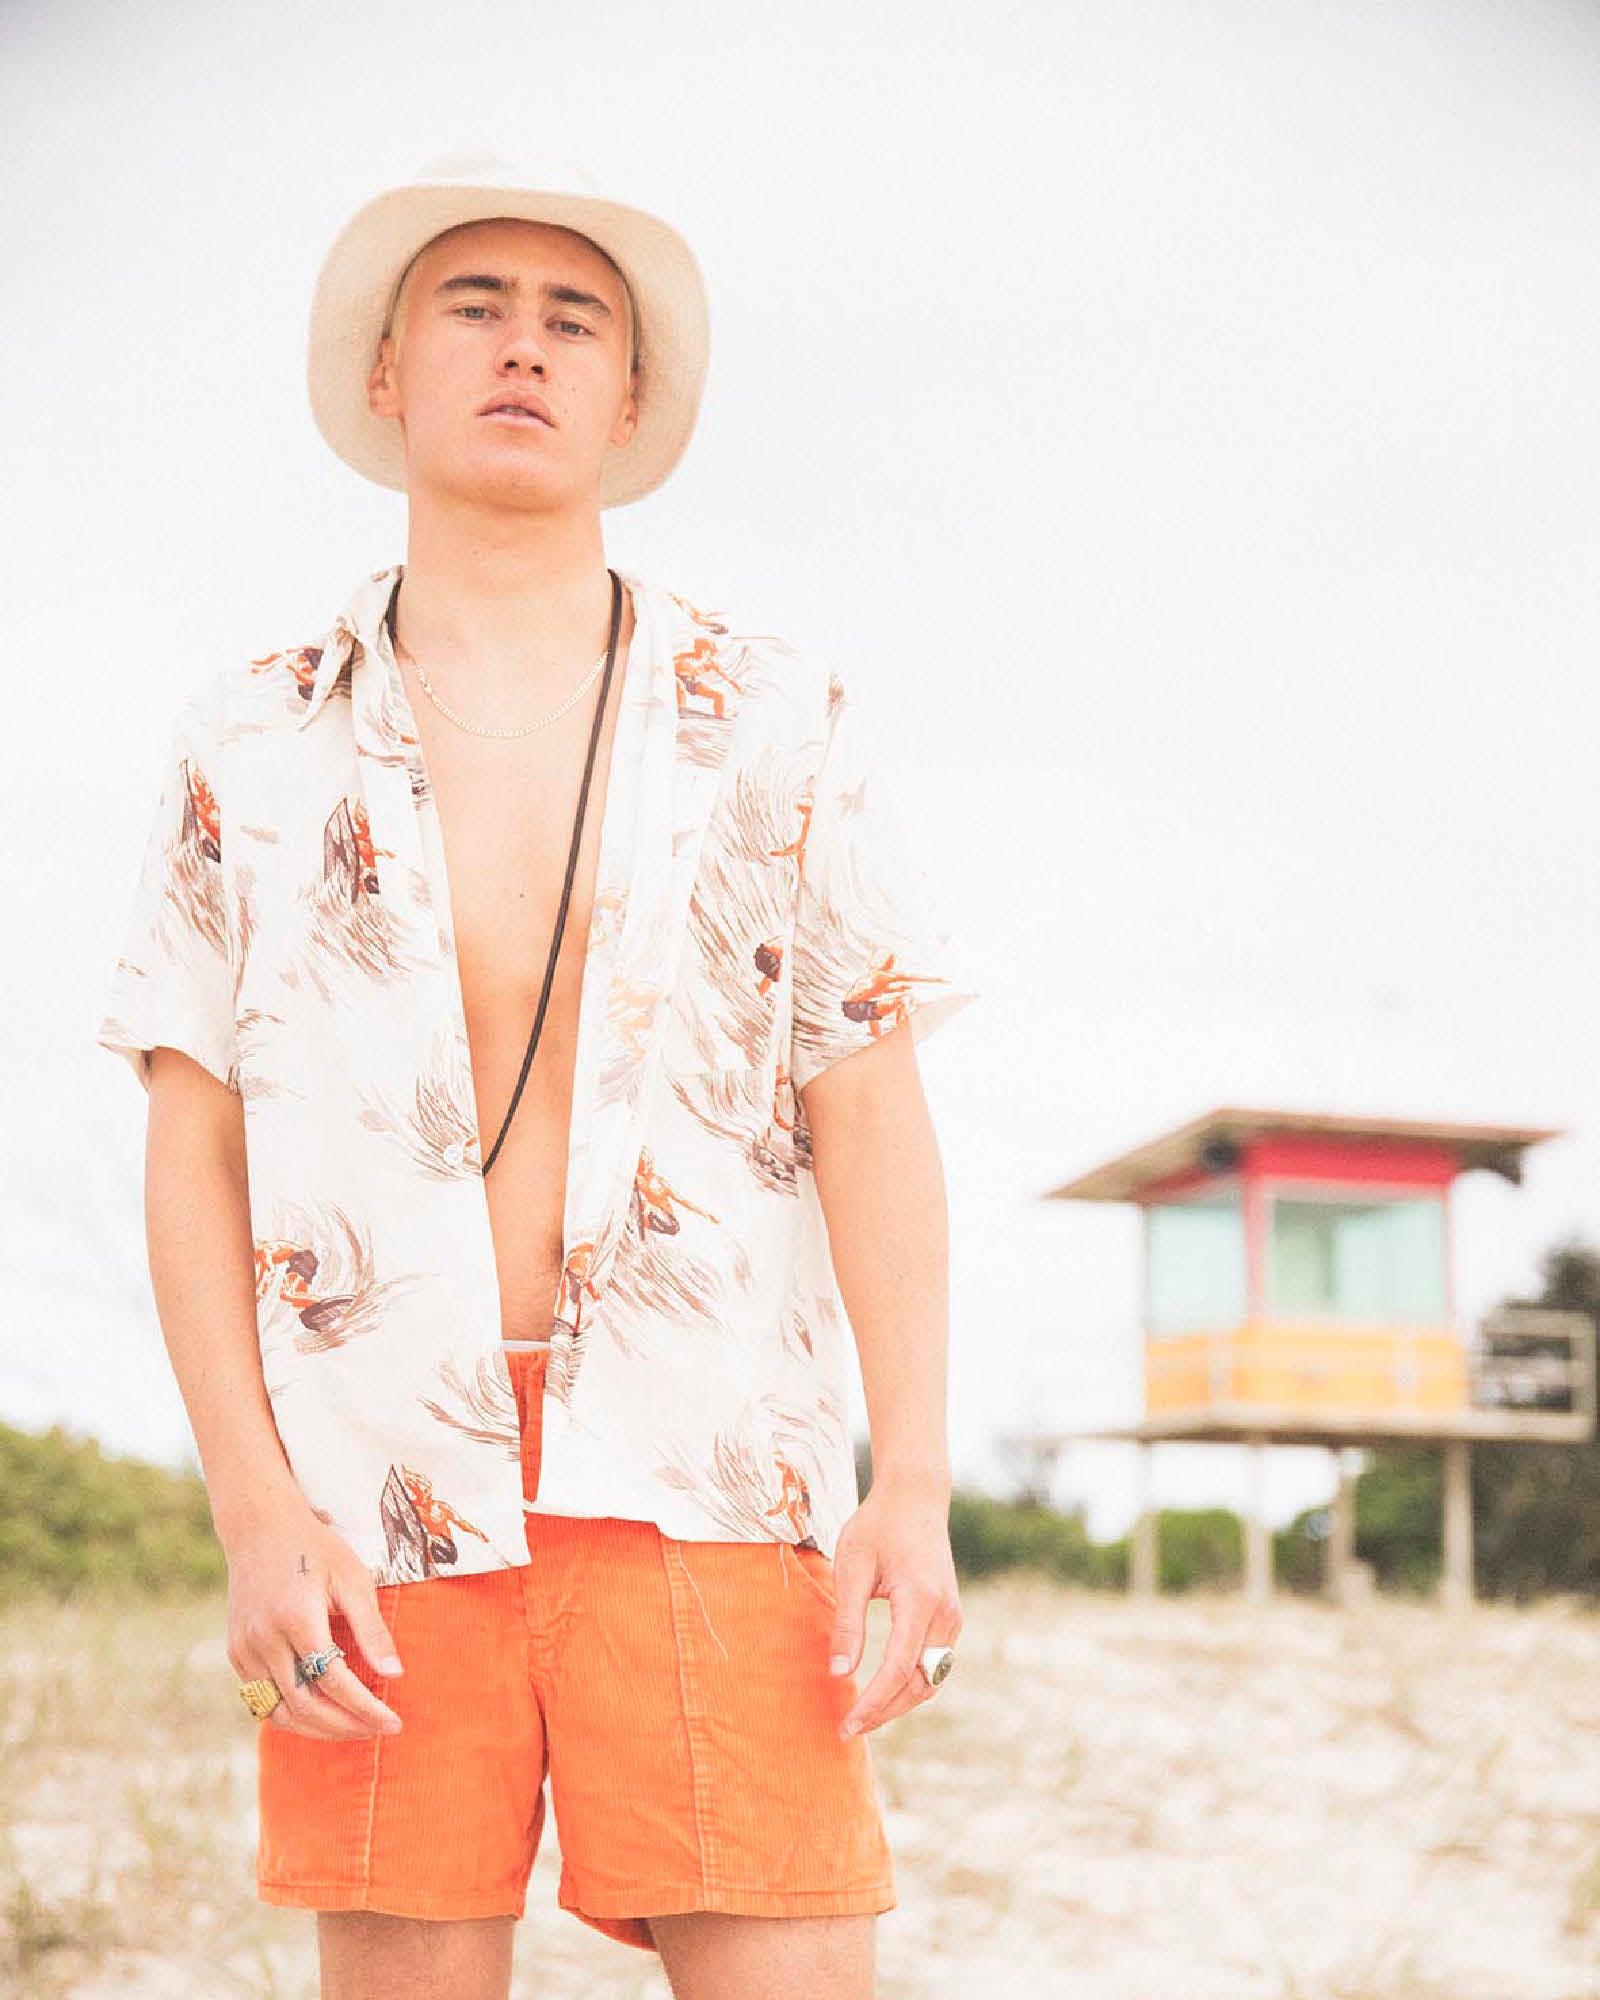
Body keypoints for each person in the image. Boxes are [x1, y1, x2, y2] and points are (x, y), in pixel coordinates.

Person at [95, 152, 979, 2000]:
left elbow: (869, 1096)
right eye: (473, 309)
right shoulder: (250, 736)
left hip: (713, 1458)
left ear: (631, 397)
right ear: (387, 376)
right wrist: (254, 1508)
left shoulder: (775, 713)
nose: (525, 346)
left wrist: (915, 1482)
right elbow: (196, 1145)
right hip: (374, 1485)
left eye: (575, 318)